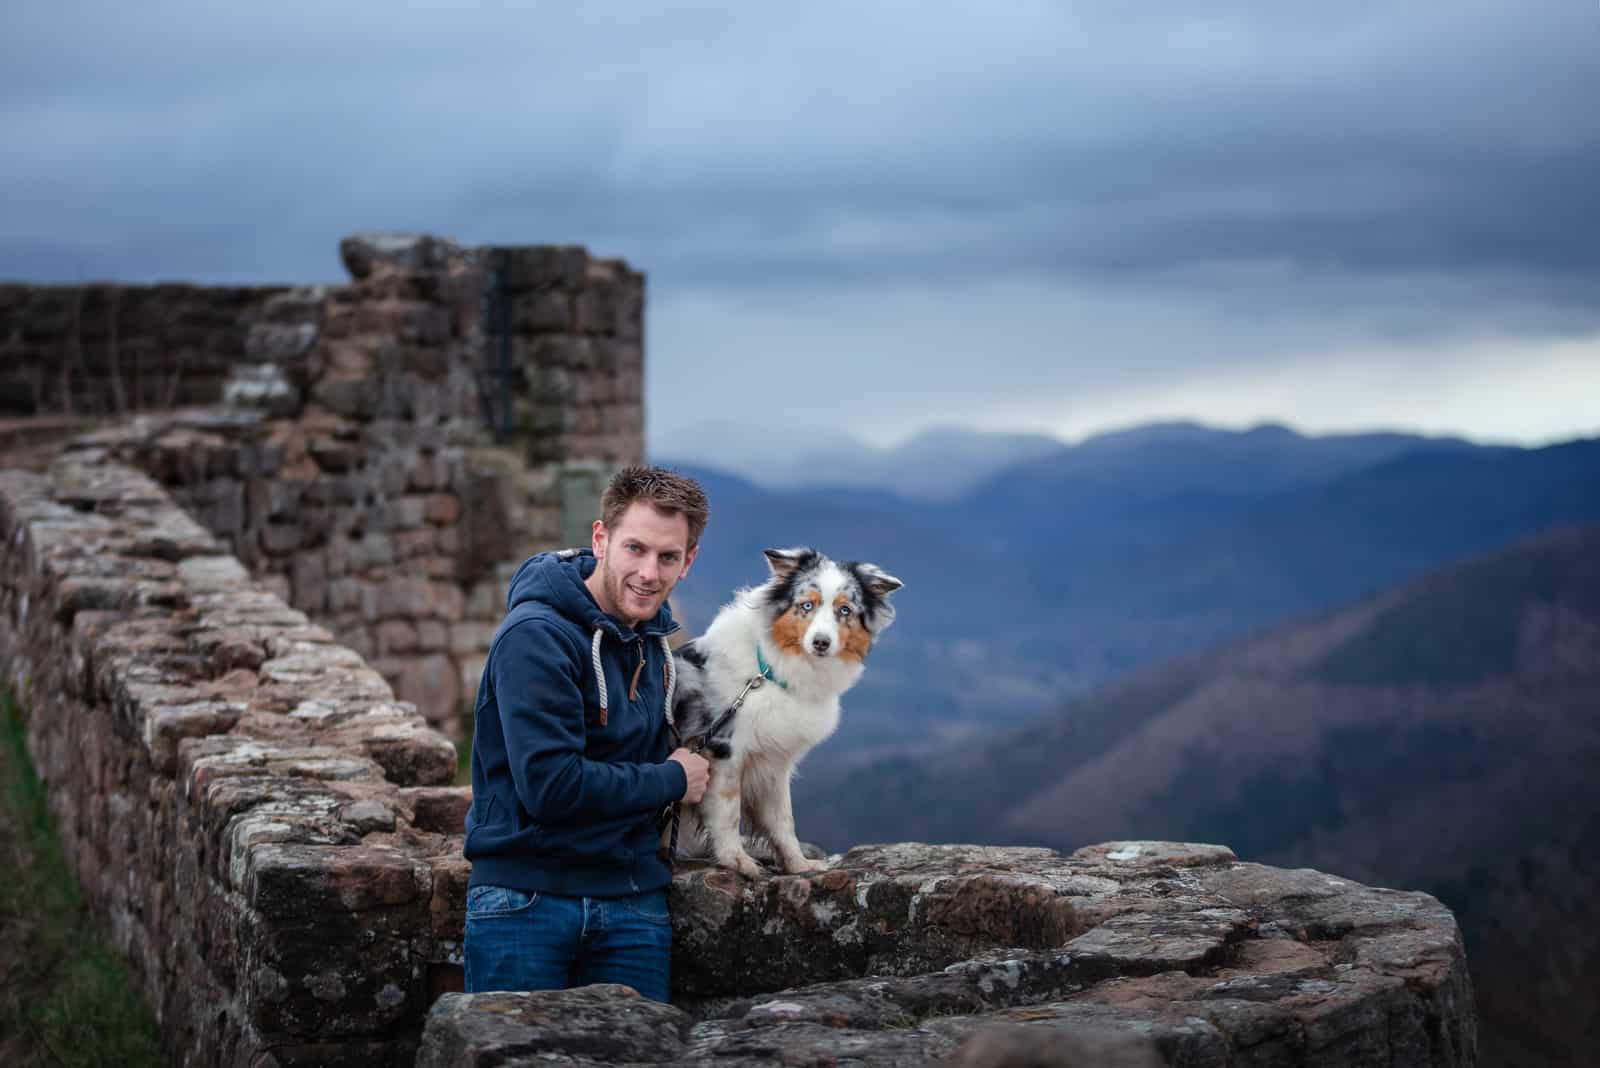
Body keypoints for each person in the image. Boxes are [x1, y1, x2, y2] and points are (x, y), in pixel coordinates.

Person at [462, 465, 712, 1002]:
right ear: (601, 539)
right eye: (635, 549)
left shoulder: (650, 640)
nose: (649, 572)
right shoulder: (536, 636)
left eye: (668, 557)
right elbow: (551, 789)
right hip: (526, 900)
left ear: (688, 561)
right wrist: (672, 779)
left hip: (632, 900)